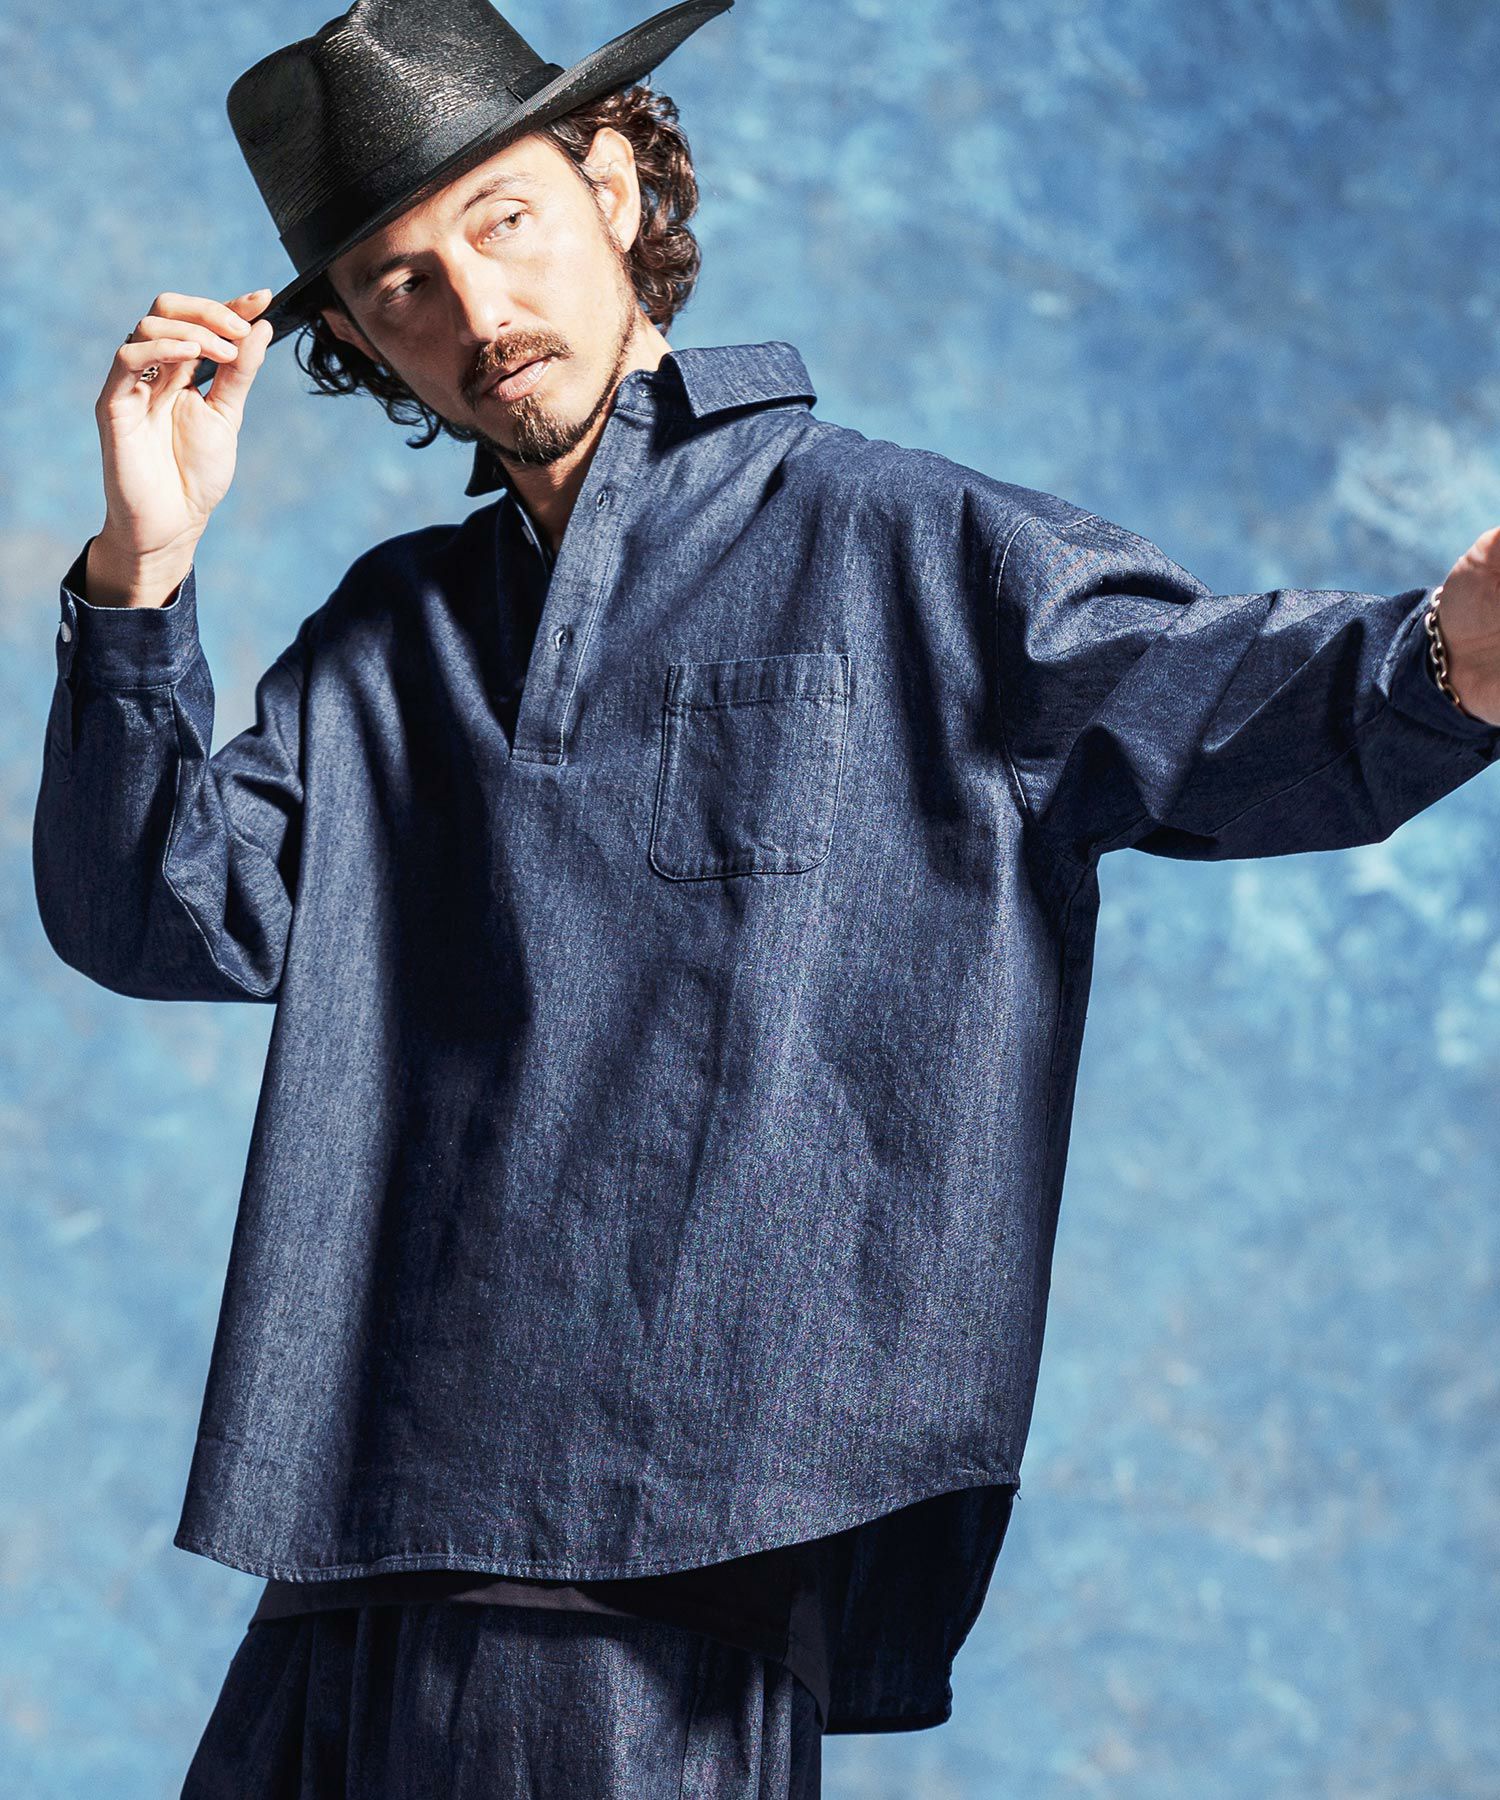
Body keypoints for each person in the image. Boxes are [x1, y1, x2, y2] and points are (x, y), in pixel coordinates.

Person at [32, 0, 1500, 1794]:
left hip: (672, 1540)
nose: (477, 309)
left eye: (502, 218)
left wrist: (1452, 657)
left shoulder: (905, 542)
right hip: (358, 1530)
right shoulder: (388, 637)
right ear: (351, 337)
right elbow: (152, 911)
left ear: (612, 183)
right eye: (400, 281)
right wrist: (141, 574)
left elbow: (1217, 708)